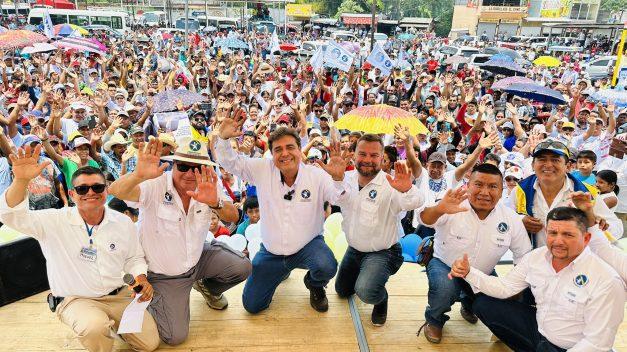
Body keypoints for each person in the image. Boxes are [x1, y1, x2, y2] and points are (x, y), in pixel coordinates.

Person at [0, 155, 159, 352]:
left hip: (120, 295)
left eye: (97, 187)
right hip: (77, 299)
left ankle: (113, 325)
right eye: (82, 189)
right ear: (72, 194)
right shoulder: (53, 221)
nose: (90, 193)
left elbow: (134, 258)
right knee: (94, 328)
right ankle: (99, 331)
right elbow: (10, 215)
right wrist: (21, 180)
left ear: (106, 190)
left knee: (150, 344)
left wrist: (141, 277)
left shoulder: (123, 222)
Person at [108, 138, 252, 345]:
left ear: (205, 169)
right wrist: (138, 175)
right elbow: (116, 191)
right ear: (173, 165)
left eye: (197, 168)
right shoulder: (155, 183)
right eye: (183, 166)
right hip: (164, 275)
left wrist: (215, 202)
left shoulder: (209, 183)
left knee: (243, 266)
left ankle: (207, 288)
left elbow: (233, 216)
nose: (189, 173)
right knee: (175, 337)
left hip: (197, 258)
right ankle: (148, 301)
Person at [215, 114, 346, 314]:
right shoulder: (262, 169)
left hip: (307, 246)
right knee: (252, 306)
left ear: (300, 150)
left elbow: (339, 199)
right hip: (271, 252)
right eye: (278, 150)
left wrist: (338, 179)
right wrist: (223, 140)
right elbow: (231, 163)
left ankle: (314, 285)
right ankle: (279, 273)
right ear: (272, 154)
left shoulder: (317, 175)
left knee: (327, 266)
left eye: (290, 147)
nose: (285, 154)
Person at [450, 207, 625, 352]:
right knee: (484, 305)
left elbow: (596, 343)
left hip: (574, 348)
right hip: (540, 332)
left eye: (568, 235)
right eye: (553, 233)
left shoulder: (607, 280)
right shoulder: (537, 257)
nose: (558, 241)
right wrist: (469, 272)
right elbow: (506, 287)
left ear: (586, 238)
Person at [418, 163, 532, 343]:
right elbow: (424, 219)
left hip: (482, 272)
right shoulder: (452, 203)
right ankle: (434, 320)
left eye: (493, 186)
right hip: (445, 264)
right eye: (478, 184)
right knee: (444, 290)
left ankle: (469, 306)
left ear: (502, 191)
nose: (485, 192)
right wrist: (440, 209)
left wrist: (514, 287)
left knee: (497, 300)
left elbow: (524, 255)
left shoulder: (511, 219)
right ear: (468, 185)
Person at [332, 134, 425, 326]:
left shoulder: (391, 183)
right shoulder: (345, 177)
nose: (367, 160)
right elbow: (333, 198)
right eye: (362, 154)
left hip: (382, 252)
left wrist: (406, 189)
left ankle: (381, 299)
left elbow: (415, 201)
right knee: (342, 291)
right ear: (354, 155)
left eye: (374, 155)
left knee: (366, 291)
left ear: (382, 157)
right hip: (354, 249)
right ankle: (367, 275)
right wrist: (336, 180)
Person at [509, 139, 623, 246]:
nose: (548, 165)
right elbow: (504, 220)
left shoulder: (586, 192)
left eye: (555, 160)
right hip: (532, 262)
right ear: (533, 165)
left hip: (575, 263)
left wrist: (594, 223)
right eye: (542, 159)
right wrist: (520, 221)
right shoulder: (520, 190)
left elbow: (617, 229)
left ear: (568, 166)